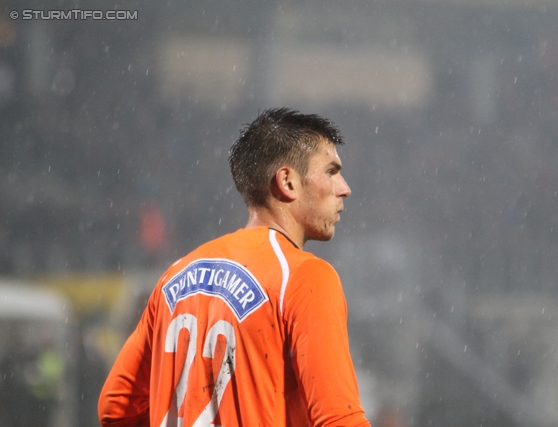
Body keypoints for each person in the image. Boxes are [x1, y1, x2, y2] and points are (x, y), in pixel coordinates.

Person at [98, 108, 371, 427]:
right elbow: (339, 419)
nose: (345, 187)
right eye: (331, 171)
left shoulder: (176, 274)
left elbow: (115, 406)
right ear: (287, 182)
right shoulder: (304, 277)